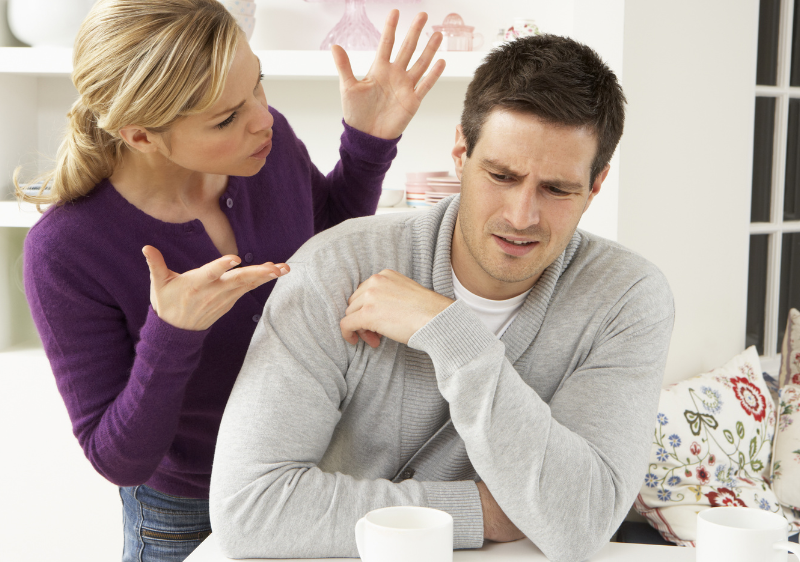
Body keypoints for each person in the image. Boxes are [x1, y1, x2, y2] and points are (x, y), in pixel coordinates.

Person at [19, 0, 445, 562]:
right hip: (186, 516)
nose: (262, 119)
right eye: (226, 118)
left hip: (315, 476)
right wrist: (172, 335)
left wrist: (368, 144)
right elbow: (119, 459)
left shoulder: (267, 154)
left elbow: (324, 243)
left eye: (258, 85)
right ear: (140, 134)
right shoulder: (66, 250)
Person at [210, 34, 675, 562]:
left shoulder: (627, 298)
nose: (522, 216)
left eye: (558, 190)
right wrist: (480, 510)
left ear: (595, 187)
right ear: (460, 152)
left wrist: (455, 339)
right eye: (501, 176)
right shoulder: (334, 268)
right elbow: (248, 511)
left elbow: (582, 522)